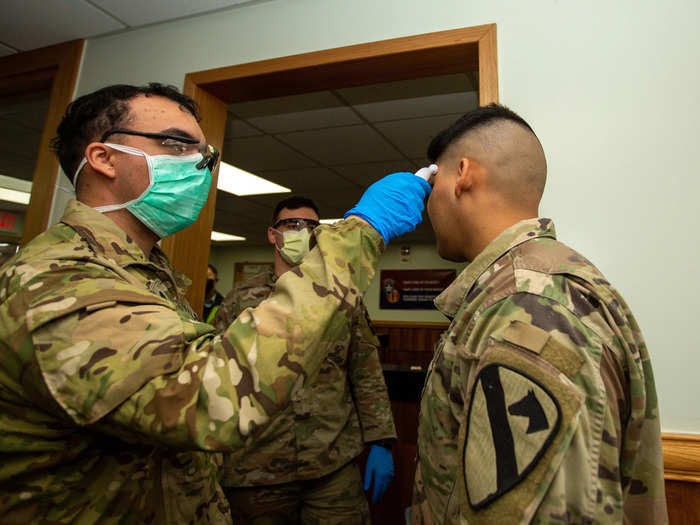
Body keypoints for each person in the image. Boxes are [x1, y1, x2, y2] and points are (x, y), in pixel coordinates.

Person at [0, 82, 431, 524]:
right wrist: (362, 230)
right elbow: (209, 398)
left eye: (204, 155)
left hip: (322, 462)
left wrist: (378, 438)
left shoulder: (144, 275)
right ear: (104, 158)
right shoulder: (59, 280)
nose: (199, 165)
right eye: (178, 144)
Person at [411, 104, 667, 524]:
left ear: (462, 174)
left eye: (431, 181)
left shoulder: (530, 307)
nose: (427, 202)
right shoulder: (529, 287)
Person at [214, 196, 396, 524]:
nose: (303, 232)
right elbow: (219, 377)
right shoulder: (240, 302)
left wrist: (381, 440)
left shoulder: (343, 300)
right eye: (292, 225)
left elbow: (365, 372)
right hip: (256, 469)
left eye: (312, 226)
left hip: (331, 463)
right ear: (273, 234)